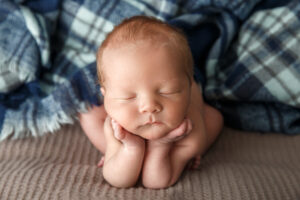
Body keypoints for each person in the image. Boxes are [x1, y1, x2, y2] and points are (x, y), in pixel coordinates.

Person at [79, 16, 223, 189]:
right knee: (88, 114)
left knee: (215, 118)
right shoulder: (116, 124)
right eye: (128, 97)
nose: (149, 106)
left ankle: (135, 157)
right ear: (106, 96)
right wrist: (131, 147)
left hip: (184, 130)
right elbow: (118, 181)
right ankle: (117, 153)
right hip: (124, 118)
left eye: (167, 92)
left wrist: (161, 146)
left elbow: (155, 182)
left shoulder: (188, 130)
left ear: (187, 88)